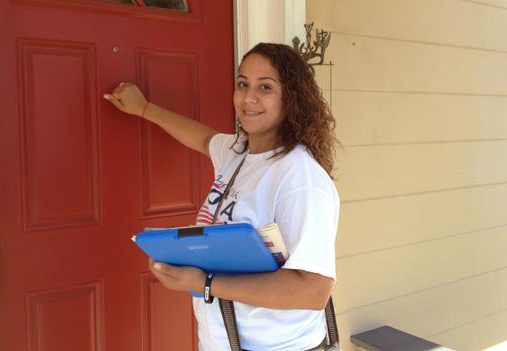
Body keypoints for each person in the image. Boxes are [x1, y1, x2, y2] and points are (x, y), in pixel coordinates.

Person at [104, 42, 340, 351]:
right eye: (243, 84)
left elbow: (313, 290)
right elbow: (203, 138)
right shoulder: (239, 153)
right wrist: (144, 108)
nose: (248, 97)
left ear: (291, 98)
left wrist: (204, 284)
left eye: (265, 87)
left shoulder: (300, 178)